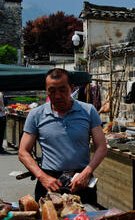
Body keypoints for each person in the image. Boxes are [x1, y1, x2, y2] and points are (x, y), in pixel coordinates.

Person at [19, 68, 108, 205]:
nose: (58, 95)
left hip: (81, 180)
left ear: (72, 89)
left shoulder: (88, 111)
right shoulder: (36, 115)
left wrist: (87, 172)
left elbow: (101, 146)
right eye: (52, 91)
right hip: (49, 182)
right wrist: (42, 177)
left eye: (62, 90)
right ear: (46, 90)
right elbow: (23, 152)